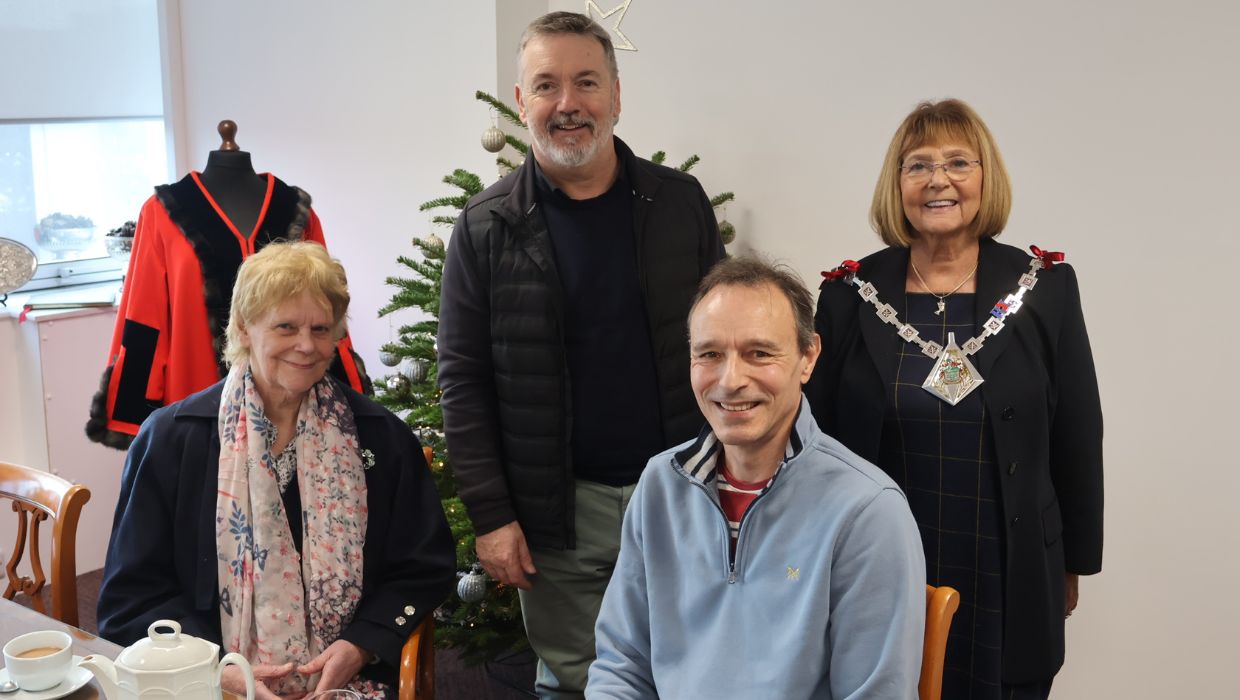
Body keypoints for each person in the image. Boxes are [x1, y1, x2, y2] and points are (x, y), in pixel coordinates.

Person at [437, 10, 725, 698]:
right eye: (547, 86)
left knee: (696, 673)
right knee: (575, 682)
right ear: (520, 103)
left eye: (586, 82)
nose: (568, 104)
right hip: (559, 514)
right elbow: (464, 381)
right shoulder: (485, 228)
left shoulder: (678, 204)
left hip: (683, 498)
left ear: (616, 95)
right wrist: (493, 517)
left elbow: (727, 348)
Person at [807, 98, 1103, 698]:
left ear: (984, 178)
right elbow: (817, 438)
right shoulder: (849, 294)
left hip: (1005, 556)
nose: (938, 180)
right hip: (884, 553)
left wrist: (1072, 559)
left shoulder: (1043, 287)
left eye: (957, 162)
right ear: (897, 186)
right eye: (918, 166)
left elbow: (1077, 429)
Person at [98, 242, 455, 700]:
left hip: (345, 683)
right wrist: (215, 669)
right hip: (206, 678)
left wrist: (361, 644)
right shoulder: (172, 439)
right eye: (286, 326)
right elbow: (130, 596)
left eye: (321, 329)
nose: (307, 346)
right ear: (245, 330)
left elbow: (423, 567)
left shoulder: (380, 438)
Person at [588, 256, 926, 698]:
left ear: (807, 358)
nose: (730, 381)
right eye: (709, 354)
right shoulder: (660, 484)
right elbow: (621, 664)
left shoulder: (868, 511)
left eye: (759, 353)